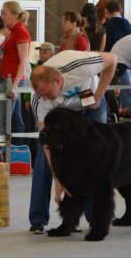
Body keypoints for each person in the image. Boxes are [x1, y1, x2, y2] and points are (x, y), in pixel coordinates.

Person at [27, 50, 117, 234]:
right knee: (43, 162)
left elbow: (113, 60)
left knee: (94, 160)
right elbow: (47, 143)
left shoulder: (79, 66)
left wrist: (99, 95)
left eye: (47, 93)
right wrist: (58, 177)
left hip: (91, 106)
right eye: (41, 94)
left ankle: (95, 218)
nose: (45, 98)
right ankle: (38, 219)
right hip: (60, 116)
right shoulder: (39, 99)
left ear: (58, 81)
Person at [0, 1, 31, 144]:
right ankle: (18, 149)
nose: (2, 17)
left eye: (4, 14)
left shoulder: (21, 32)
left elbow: (24, 61)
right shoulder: (13, 31)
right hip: (8, 79)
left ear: (15, 15)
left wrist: (14, 87)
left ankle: (1, 151)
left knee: (3, 119)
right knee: (16, 119)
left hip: (12, 81)